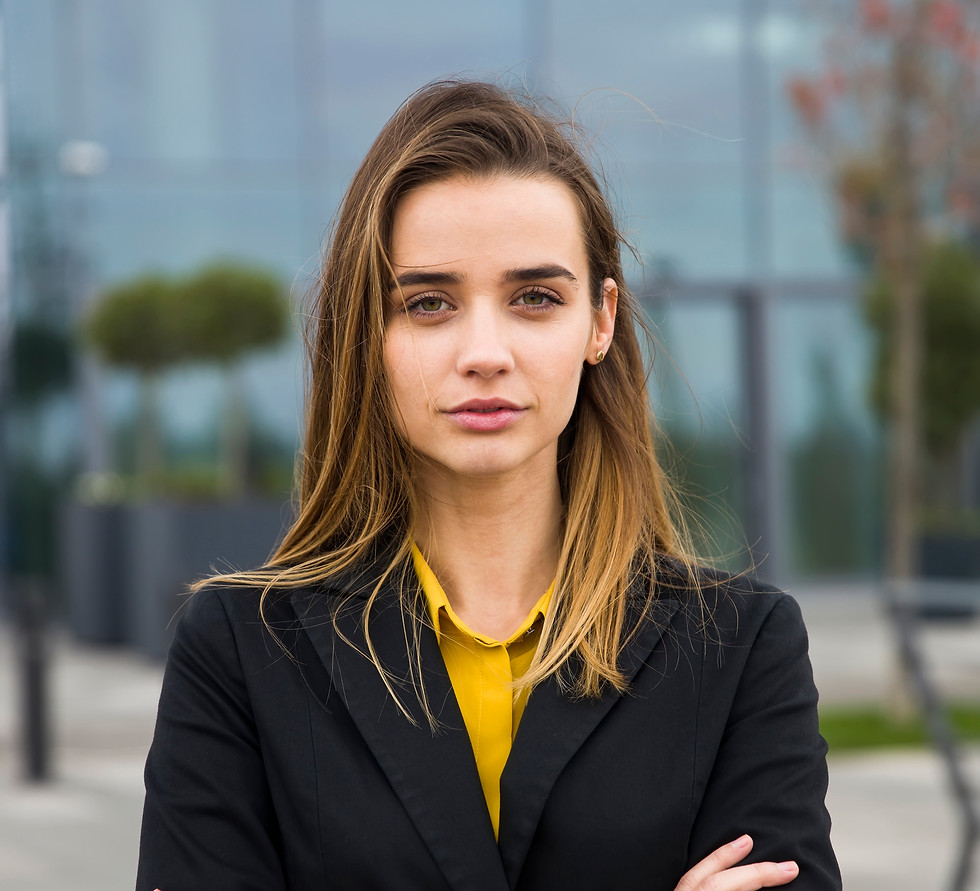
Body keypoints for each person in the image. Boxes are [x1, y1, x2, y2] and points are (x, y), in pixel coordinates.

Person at [136, 79, 841, 891]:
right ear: (371, 331)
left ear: (601, 320)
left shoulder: (743, 650)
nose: (484, 351)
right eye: (429, 302)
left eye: (535, 297)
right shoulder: (240, 651)